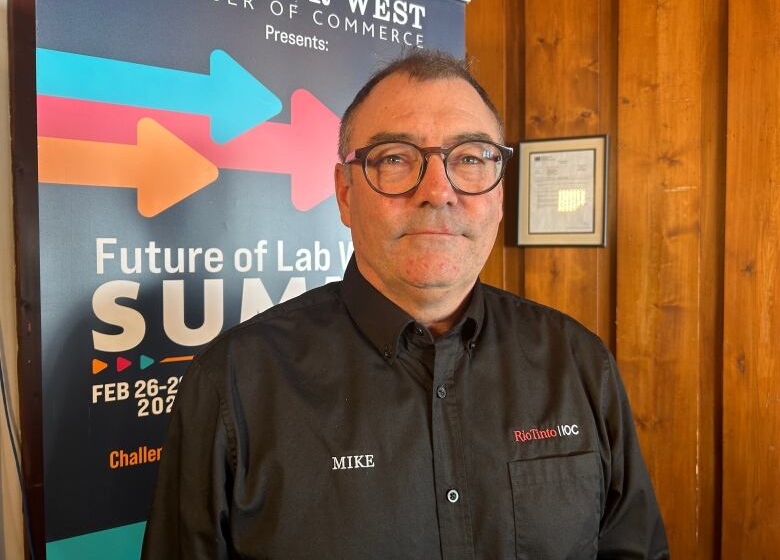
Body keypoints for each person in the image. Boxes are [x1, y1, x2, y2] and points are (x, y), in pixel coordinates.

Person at [142, 50, 669, 559]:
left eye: (469, 158)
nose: (438, 191)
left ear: (500, 196)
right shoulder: (234, 384)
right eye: (395, 158)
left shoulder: (577, 363)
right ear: (346, 193)